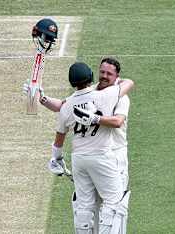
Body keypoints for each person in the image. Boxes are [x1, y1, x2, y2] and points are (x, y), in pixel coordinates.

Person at [48, 62, 133, 233]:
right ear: (92, 76)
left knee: (84, 205)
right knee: (114, 204)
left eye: (108, 73)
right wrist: (95, 118)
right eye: (102, 72)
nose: (104, 76)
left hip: (78, 159)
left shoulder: (68, 105)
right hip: (102, 156)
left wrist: (56, 158)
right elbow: (129, 83)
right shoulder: (105, 96)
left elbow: (59, 138)